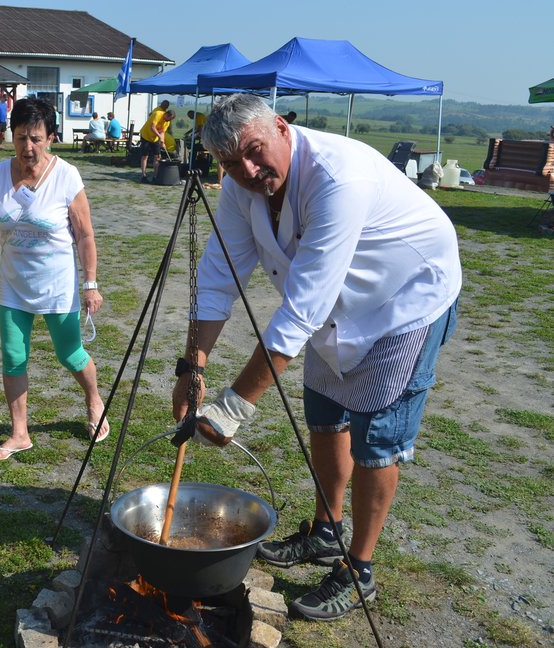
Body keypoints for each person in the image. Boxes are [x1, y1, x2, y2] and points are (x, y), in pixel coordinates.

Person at [171, 94, 461, 621]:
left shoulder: (337, 177)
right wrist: (193, 366)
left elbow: (302, 308)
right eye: (232, 164)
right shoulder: (242, 187)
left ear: (281, 128)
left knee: (377, 441)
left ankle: (358, 569)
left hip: (404, 302)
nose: (250, 171)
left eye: (256, 152)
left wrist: (235, 405)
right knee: (326, 418)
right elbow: (218, 276)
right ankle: (326, 532)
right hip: (334, 312)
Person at [0, 97, 110, 461]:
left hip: (57, 287)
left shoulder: (66, 176)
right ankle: (19, 433)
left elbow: (85, 234)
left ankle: (94, 400)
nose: (28, 147)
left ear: (50, 138)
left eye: (36, 138)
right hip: (14, 287)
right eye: (20, 137)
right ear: (11, 136)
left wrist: (90, 283)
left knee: (70, 354)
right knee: (13, 358)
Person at [138, 108, 174, 182]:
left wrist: (162, 141)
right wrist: (159, 136)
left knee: (158, 156)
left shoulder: (167, 122)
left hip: (155, 139)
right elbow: (152, 127)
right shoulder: (157, 114)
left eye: (170, 120)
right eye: (168, 119)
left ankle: (155, 176)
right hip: (146, 136)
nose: (168, 121)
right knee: (145, 156)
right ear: (166, 114)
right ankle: (143, 176)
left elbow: (163, 132)